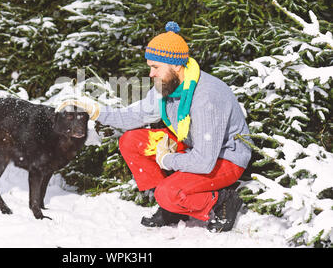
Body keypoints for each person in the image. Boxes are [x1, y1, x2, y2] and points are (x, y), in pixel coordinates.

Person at [58, 21, 251, 232]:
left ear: (176, 65)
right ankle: (171, 206)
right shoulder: (168, 86)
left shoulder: (206, 98)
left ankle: (221, 200)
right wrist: (96, 111)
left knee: (168, 194)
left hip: (225, 158)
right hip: (192, 145)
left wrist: (167, 159)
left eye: (155, 67)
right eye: (150, 67)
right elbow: (136, 115)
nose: (151, 74)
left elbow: (205, 161)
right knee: (131, 142)